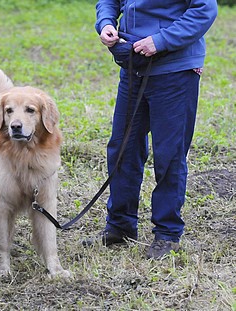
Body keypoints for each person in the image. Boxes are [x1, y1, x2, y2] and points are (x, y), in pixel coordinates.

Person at [92, 0, 218, 259]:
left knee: (169, 155)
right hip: (132, 65)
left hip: (175, 70)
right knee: (122, 148)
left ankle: (167, 233)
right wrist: (105, 23)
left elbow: (205, 9)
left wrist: (160, 41)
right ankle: (120, 225)